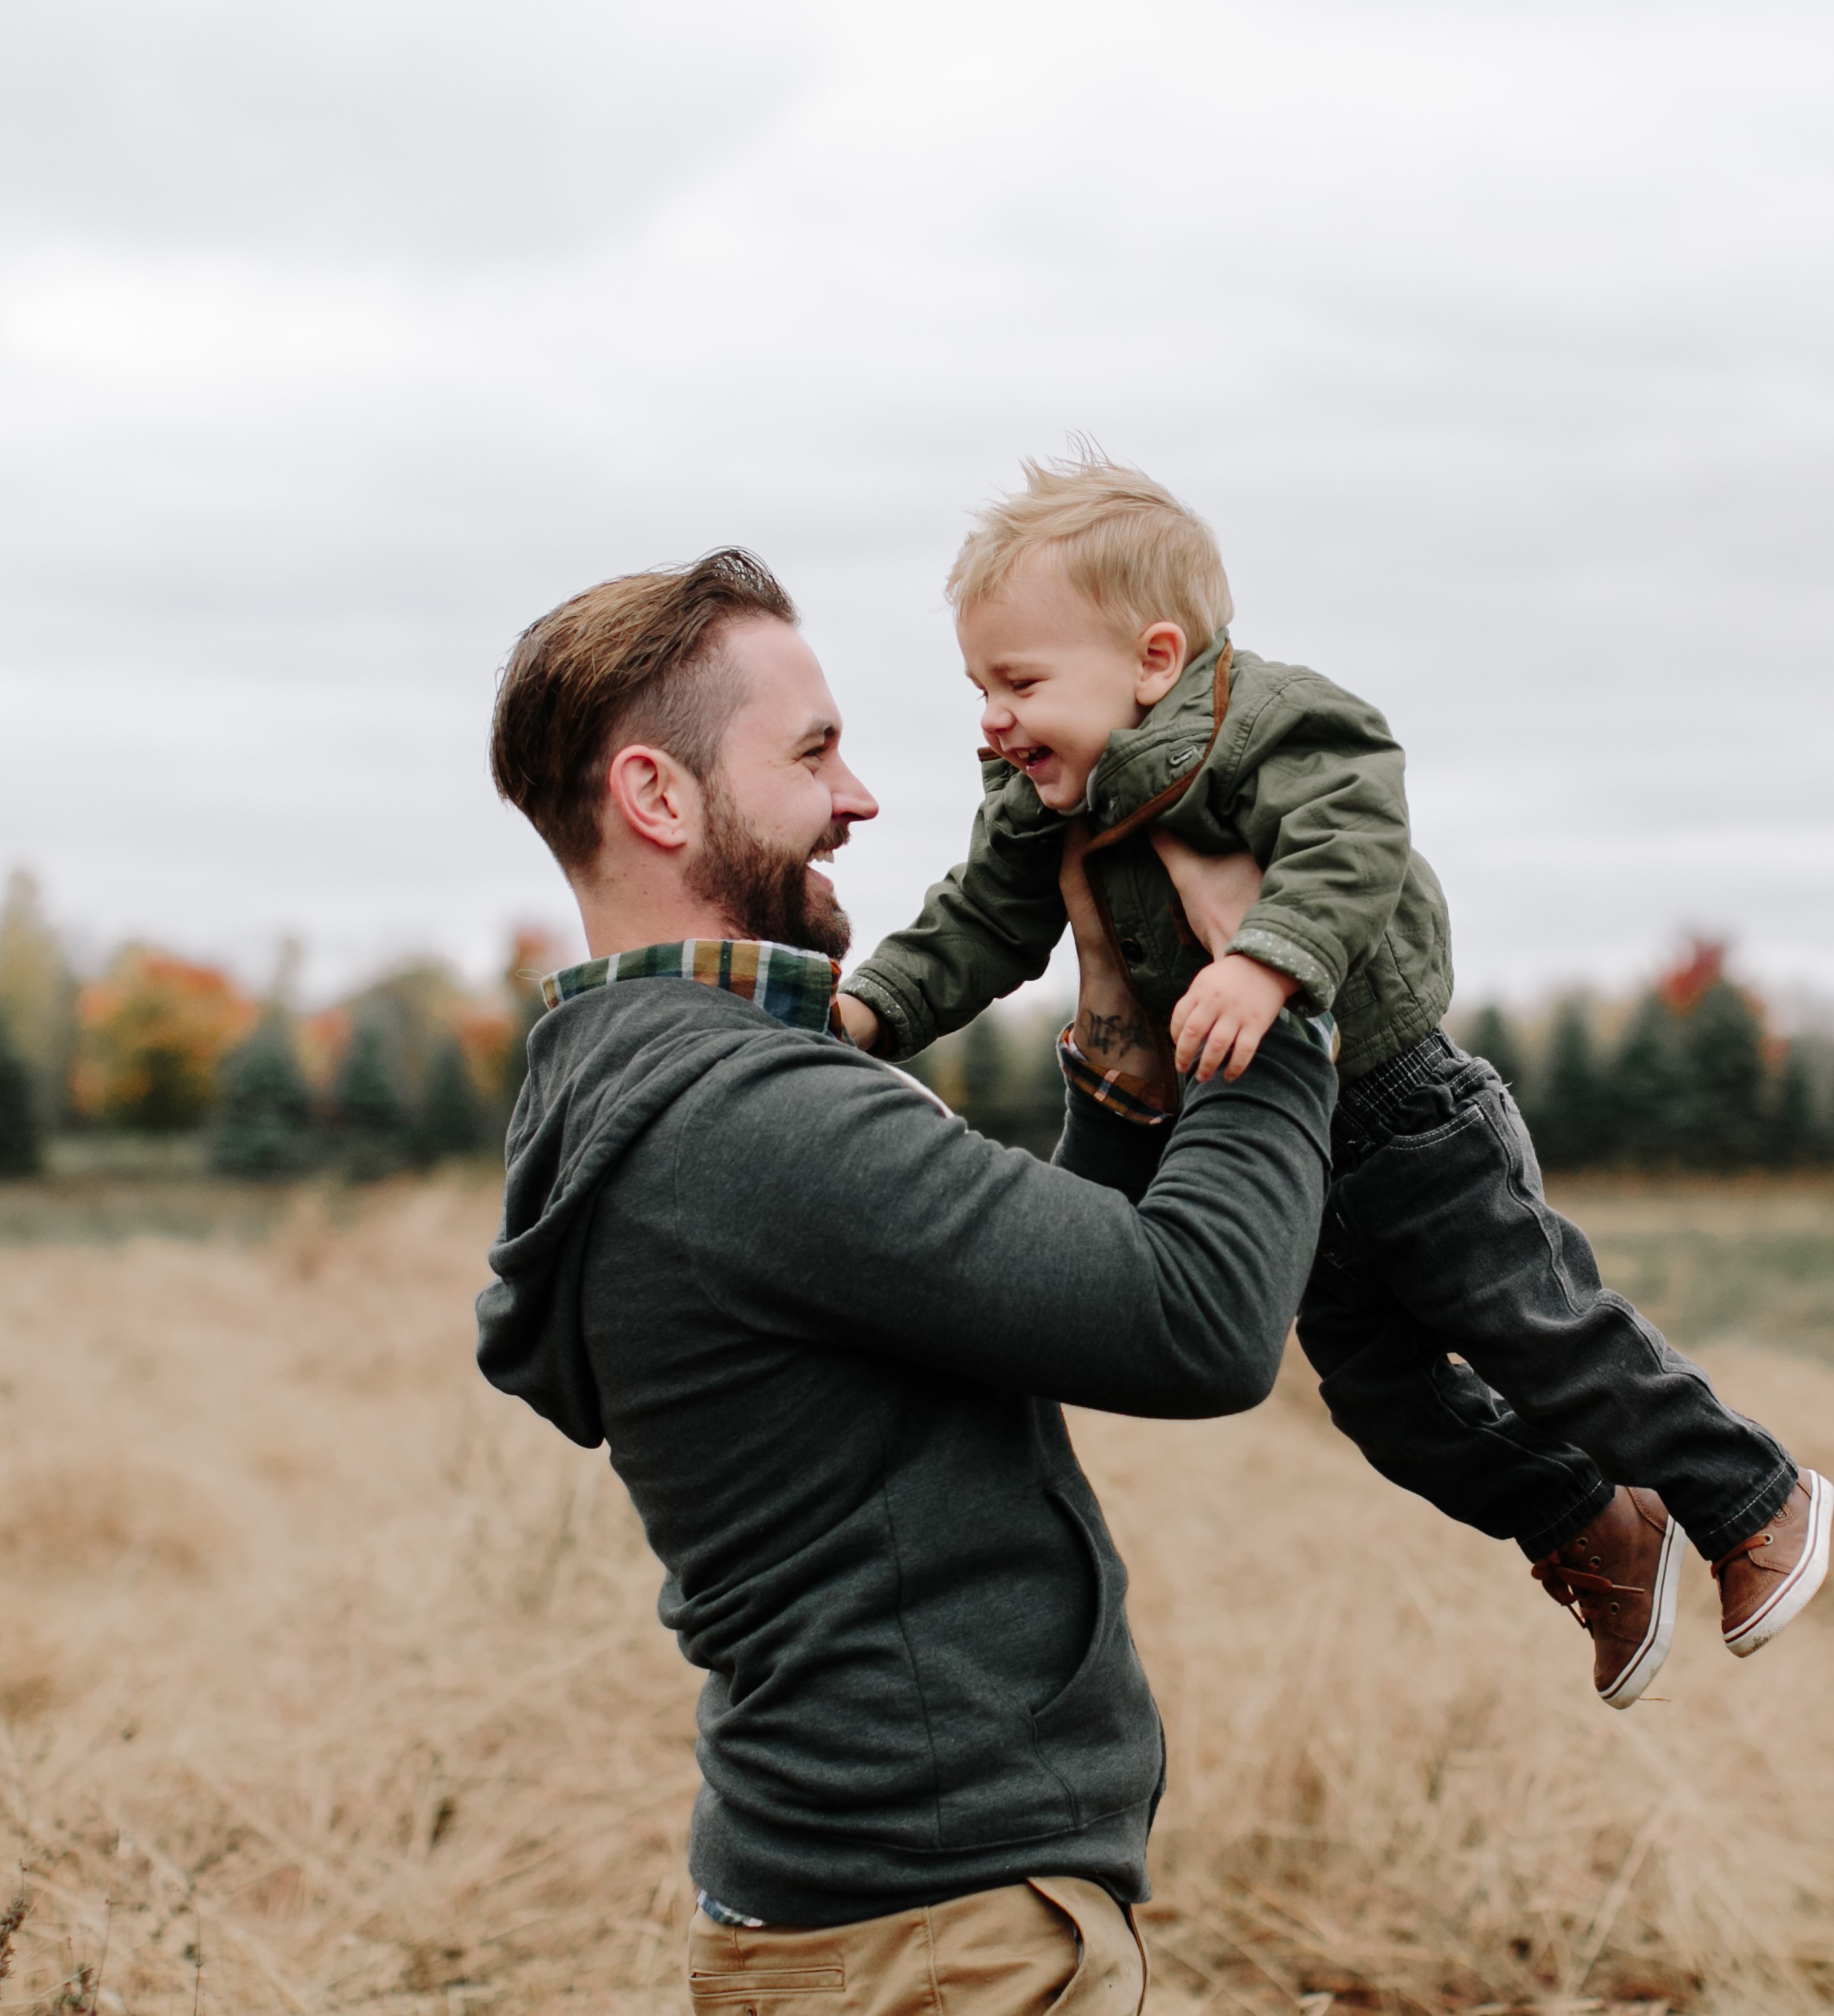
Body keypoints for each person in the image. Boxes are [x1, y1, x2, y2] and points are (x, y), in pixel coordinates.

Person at [475, 551, 1344, 2016]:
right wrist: (1274, 984)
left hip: (853, 1916)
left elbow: (1056, 1286)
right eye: (812, 752)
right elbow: (1196, 1319)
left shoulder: (646, 1094)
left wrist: (1126, 1045)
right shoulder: (753, 1115)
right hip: (944, 1937)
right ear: (658, 796)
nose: (863, 796)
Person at [838, 454, 1834, 1710]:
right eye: (979, 687)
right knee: (1381, 1404)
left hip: (1402, 1104)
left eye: (1020, 683)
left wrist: (1265, 961)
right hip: (1289, 1155)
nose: (991, 718)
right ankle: (1594, 1526)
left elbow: (1353, 830)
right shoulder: (1045, 802)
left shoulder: (1268, 722)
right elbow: (978, 922)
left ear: (1153, 660)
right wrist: (870, 1006)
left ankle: (1755, 1492)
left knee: (1538, 1328)